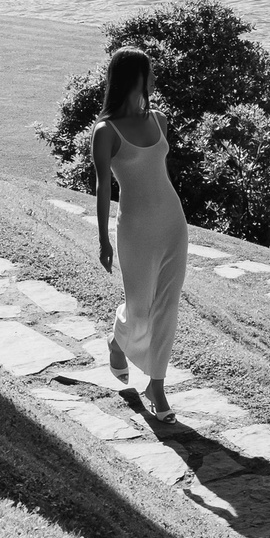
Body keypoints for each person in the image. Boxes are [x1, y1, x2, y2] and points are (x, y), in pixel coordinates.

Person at [91, 46, 185, 415]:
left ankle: (156, 388)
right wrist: (102, 239)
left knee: (167, 307)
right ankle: (118, 340)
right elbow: (102, 188)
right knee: (140, 309)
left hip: (173, 224)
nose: (155, 79)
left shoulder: (159, 119)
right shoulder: (105, 131)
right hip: (135, 229)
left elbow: (158, 173)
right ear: (134, 78)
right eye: (149, 73)